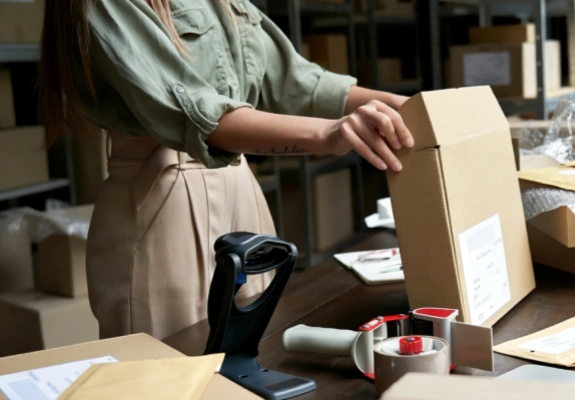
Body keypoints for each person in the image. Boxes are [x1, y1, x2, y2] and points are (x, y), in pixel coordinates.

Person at [39, 0, 413, 340]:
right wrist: (329, 133)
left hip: (238, 181)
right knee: (177, 365)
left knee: (259, 351)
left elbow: (296, 81)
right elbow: (198, 114)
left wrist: (406, 106)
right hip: (164, 193)